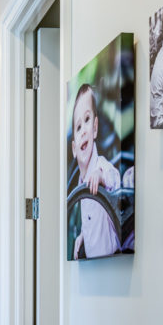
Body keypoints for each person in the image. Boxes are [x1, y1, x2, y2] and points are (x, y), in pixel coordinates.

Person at [70, 83, 121, 259]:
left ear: (95, 128)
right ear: (74, 148)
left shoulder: (101, 166)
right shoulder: (80, 182)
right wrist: (82, 235)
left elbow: (114, 178)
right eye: (78, 127)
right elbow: (88, 218)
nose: (83, 130)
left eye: (87, 120)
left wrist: (100, 176)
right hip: (95, 261)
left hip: (112, 257)